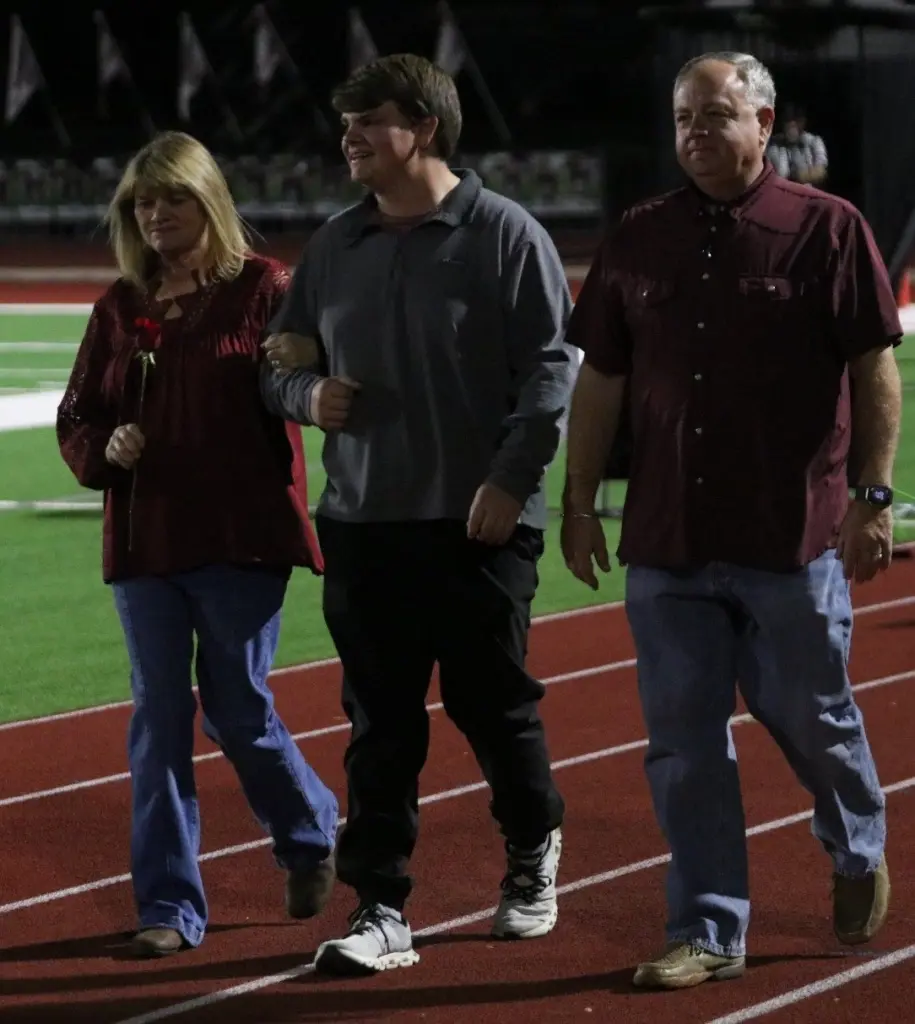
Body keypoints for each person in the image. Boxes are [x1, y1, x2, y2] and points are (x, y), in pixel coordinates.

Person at [561, 51, 902, 991]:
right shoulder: (639, 235)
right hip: (667, 538)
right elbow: (601, 378)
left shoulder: (827, 229)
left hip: (790, 537)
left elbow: (874, 366)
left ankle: (854, 842)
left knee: (811, 719)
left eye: (713, 114)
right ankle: (708, 927)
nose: (694, 133)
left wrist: (872, 497)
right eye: (682, 117)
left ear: (763, 122)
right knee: (682, 746)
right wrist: (578, 501)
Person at [260, 53, 574, 977]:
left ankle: (531, 848)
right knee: (379, 727)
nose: (349, 138)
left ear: (424, 127)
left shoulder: (505, 234)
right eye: (345, 123)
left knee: (491, 708)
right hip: (363, 523)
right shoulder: (334, 245)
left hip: (480, 522)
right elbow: (276, 367)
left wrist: (510, 482)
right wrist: (307, 395)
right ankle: (380, 906)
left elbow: (550, 372)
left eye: (369, 121)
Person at [56, 130, 339, 958]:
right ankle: (169, 907)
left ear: (208, 199)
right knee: (158, 717)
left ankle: (307, 830)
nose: (156, 214)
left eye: (172, 197)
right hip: (145, 539)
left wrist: (313, 369)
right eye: (142, 202)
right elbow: (78, 414)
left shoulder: (265, 289)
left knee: (236, 710)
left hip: (241, 536)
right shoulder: (120, 307)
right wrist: (105, 447)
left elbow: (302, 381)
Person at [767, 104, 828, 186]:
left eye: (797, 120)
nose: (792, 124)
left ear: (804, 122)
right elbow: (771, 176)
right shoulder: (772, 144)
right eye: (788, 120)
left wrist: (795, 176)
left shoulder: (815, 141)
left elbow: (821, 173)